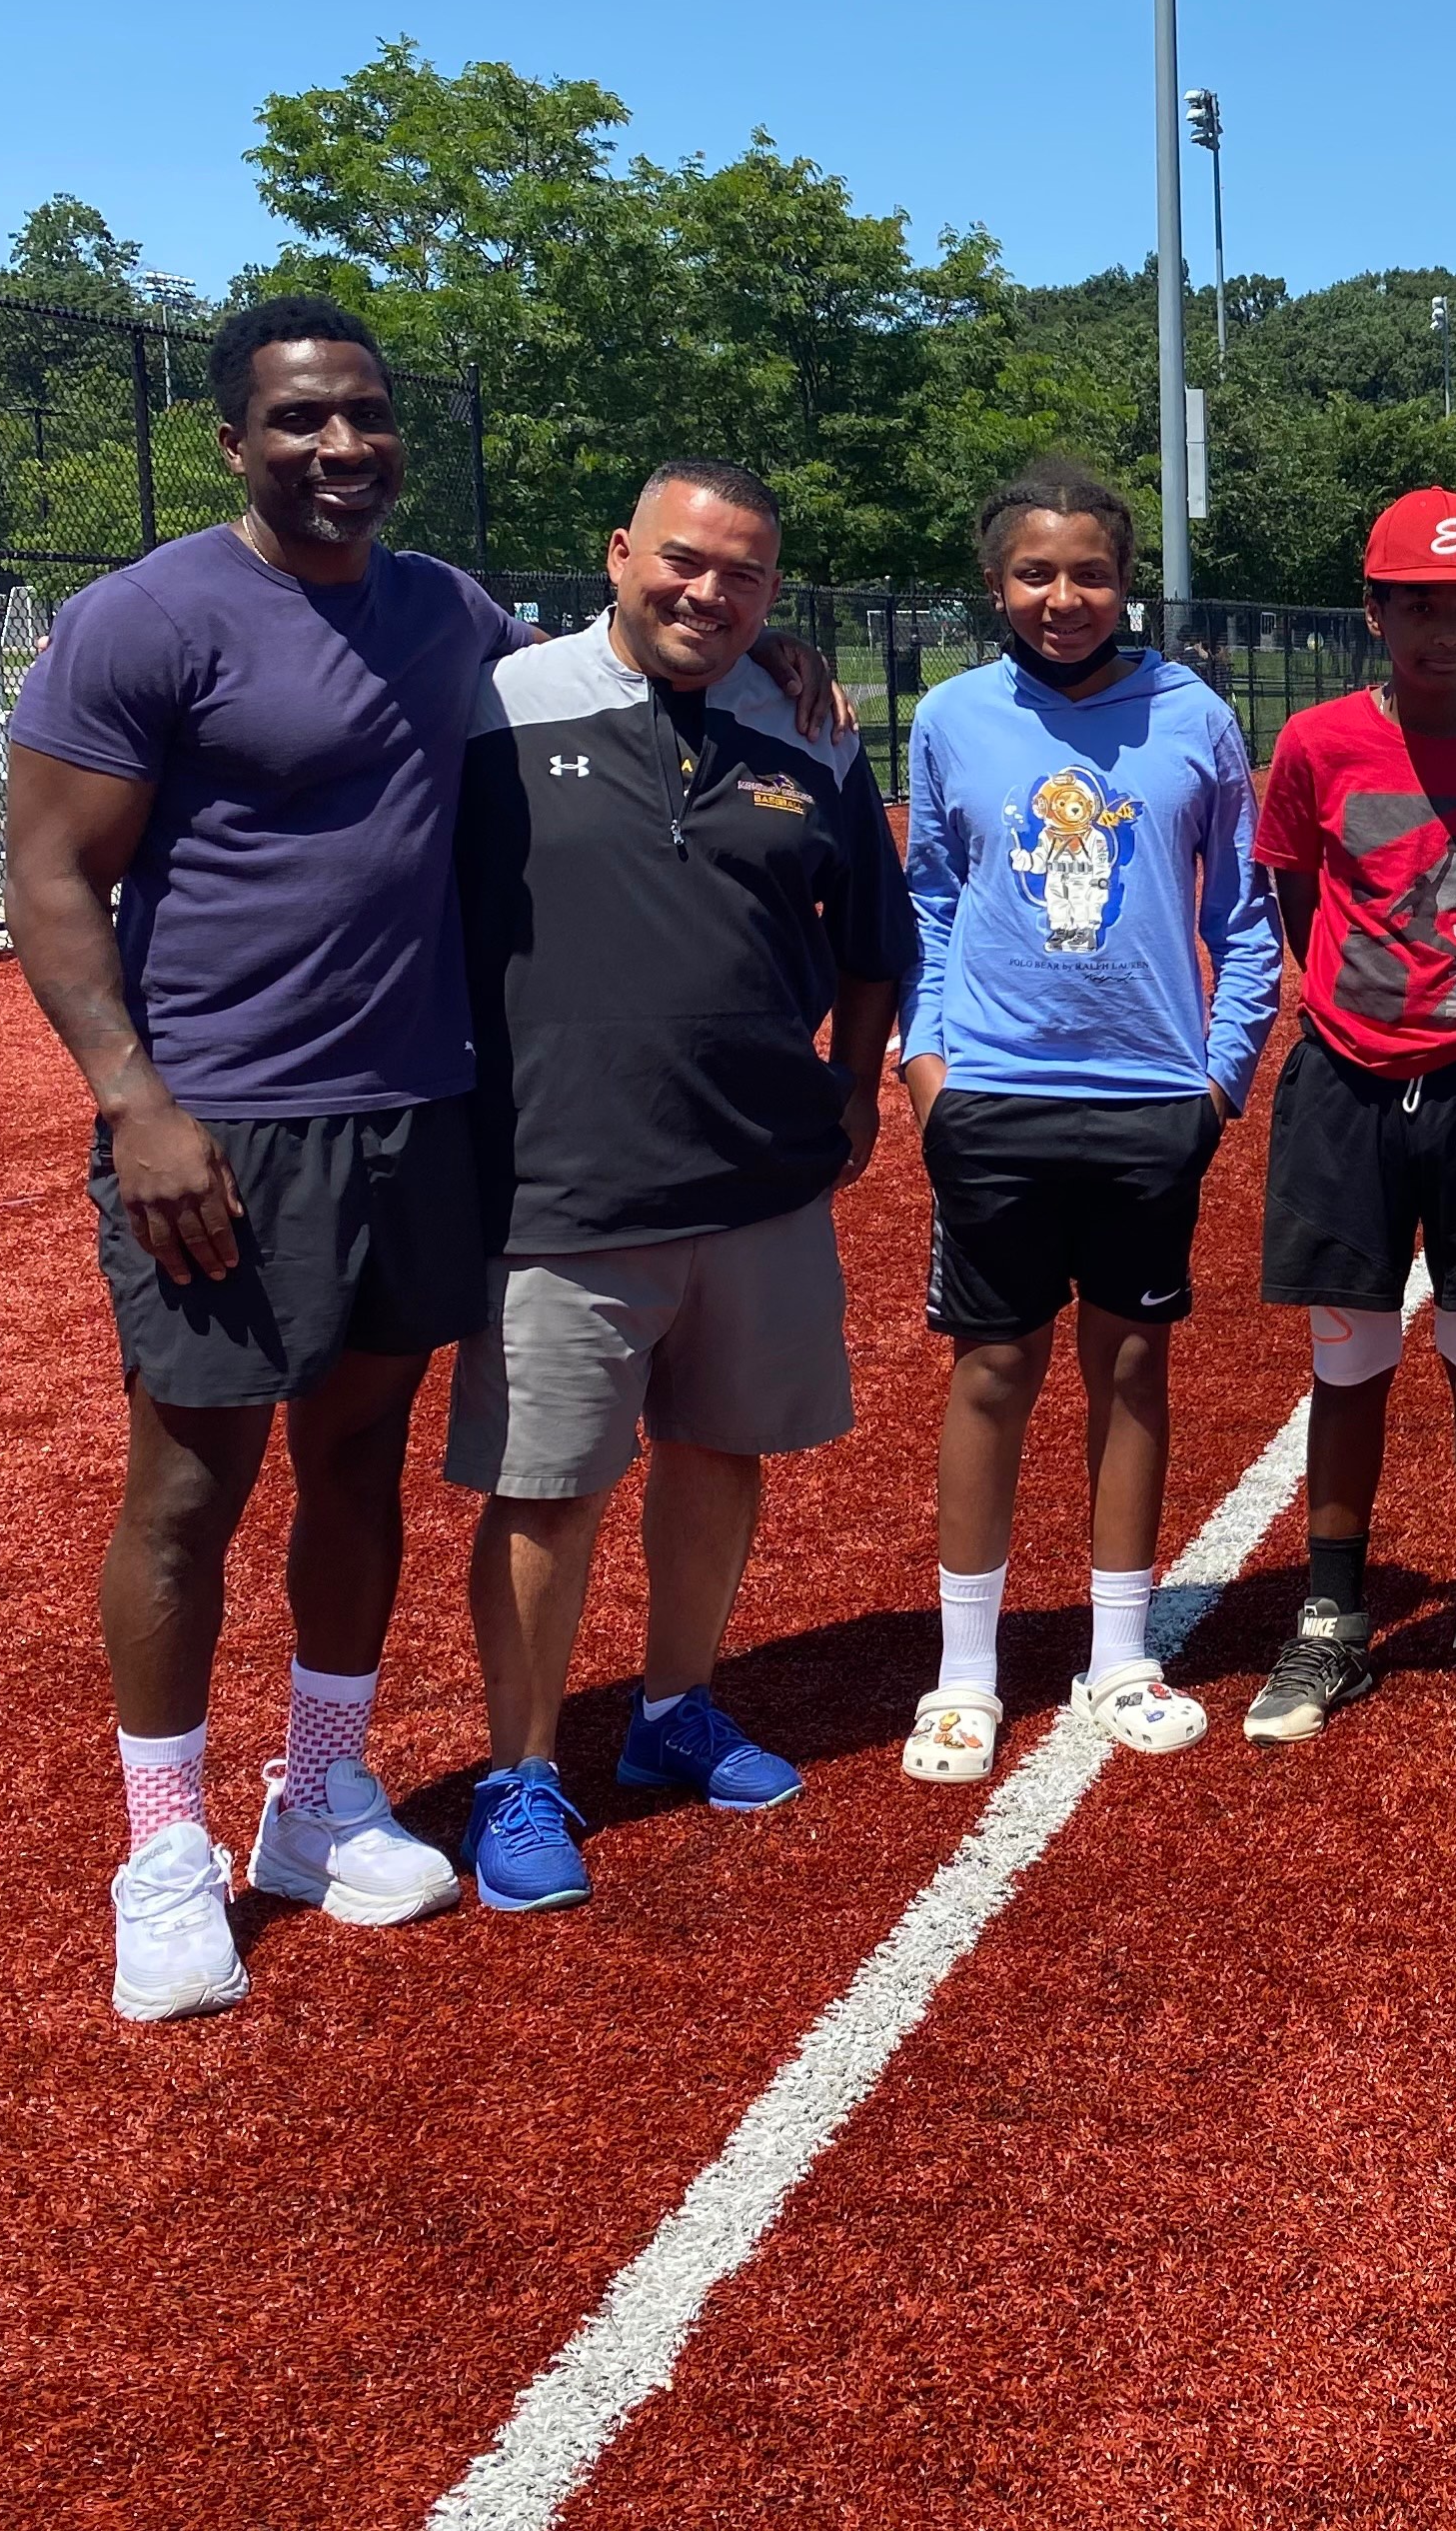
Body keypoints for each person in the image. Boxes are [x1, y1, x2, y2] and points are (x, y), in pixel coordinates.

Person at [5, 298, 498, 2015]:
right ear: (232, 437)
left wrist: (772, 674)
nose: (338, 447)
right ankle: (162, 1841)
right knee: (189, 1486)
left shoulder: (452, 610)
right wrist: (140, 1103)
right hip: (219, 1124)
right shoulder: (142, 617)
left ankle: (319, 1794)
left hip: (420, 1109)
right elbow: (54, 873)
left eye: (363, 416)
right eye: (298, 420)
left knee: (359, 1457)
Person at [442, 461, 914, 1910]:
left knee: (720, 1454)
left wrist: (849, 1083)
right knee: (547, 1486)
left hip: (759, 1177)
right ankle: (523, 1770)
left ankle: (673, 1709)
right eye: (683, 562)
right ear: (619, 555)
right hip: (559, 1179)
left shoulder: (810, 728)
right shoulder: (497, 708)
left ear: (778, 594)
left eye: (747, 575)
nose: (709, 592)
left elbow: (871, 934)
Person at [896, 462, 1279, 1783]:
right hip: (995, 1096)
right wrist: (926, 1061)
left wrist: (1219, 1077)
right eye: (1036, 573)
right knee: (991, 1372)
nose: (1064, 598)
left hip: (1148, 1106)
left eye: (1091, 573)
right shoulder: (951, 717)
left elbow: (1244, 918)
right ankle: (963, 1672)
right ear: (997, 583)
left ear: (1128, 582)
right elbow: (932, 904)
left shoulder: (1195, 718)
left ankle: (1121, 1648)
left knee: (1129, 1369)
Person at [1248, 488, 1456, 1747]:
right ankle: (1332, 1617)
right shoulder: (1318, 745)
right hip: (1346, 1082)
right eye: (1421, 606)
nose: (1446, 632)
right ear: (1376, 612)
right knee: (1347, 1354)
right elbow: (1295, 895)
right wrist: (1367, 1020)